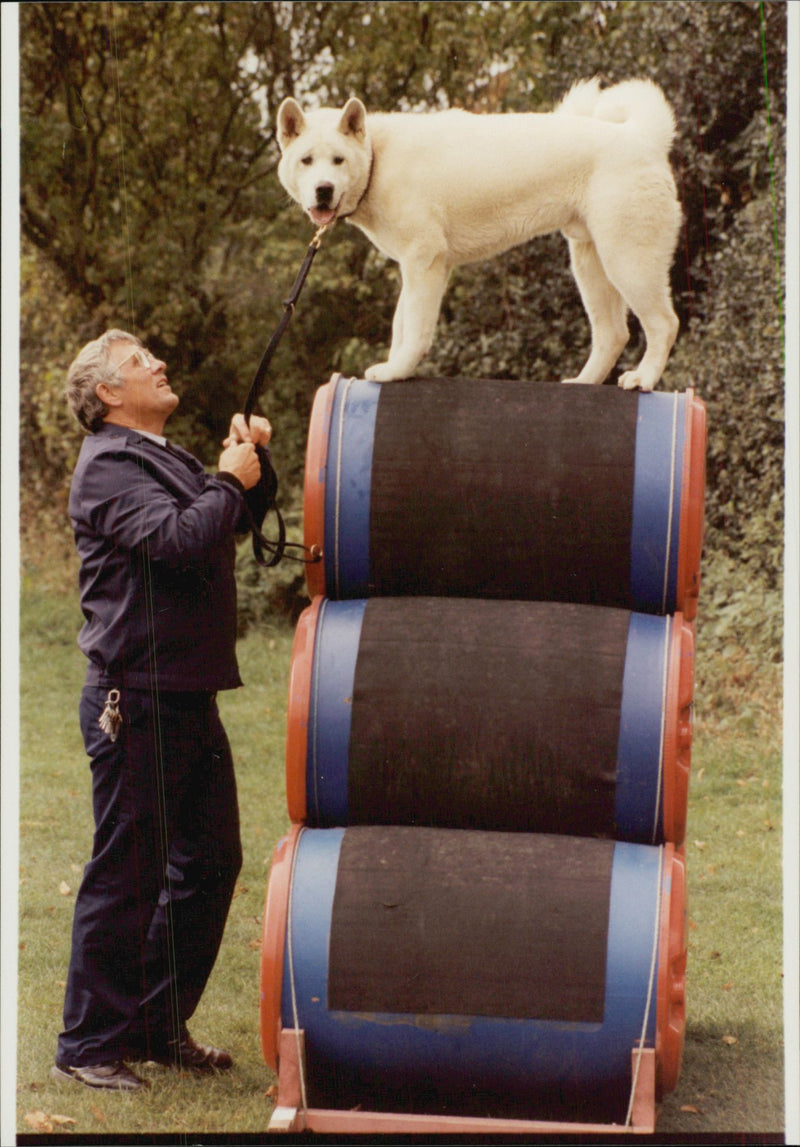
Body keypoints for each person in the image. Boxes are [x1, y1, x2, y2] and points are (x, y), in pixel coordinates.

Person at [52, 329, 273, 1091]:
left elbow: (226, 520)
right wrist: (227, 479)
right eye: (140, 360)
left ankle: (151, 1025)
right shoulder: (108, 467)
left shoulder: (160, 455)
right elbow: (180, 539)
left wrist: (250, 465)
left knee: (210, 863)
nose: (159, 363)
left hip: (184, 691)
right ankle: (88, 1044)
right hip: (136, 697)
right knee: (128, 872)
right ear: (109, 392)